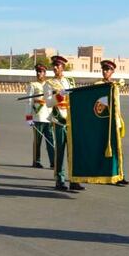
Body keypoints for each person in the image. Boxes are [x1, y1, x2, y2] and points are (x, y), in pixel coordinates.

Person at [44, 55, 85, 191]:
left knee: (73, 151)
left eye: (58, 65)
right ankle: (59, 180)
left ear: (63, 67)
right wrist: (59, 96)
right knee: (60, 151)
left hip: (71, 120)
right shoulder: (49, 84)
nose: (55, 68)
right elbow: (49, 102)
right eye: (54, 66)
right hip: (59, 119)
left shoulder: (70, 81)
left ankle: (74, 180)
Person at [95, 59, 129, 186]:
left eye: (107, 69)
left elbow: (117, 105)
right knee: (102, 149)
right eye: (103, 69)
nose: (105, 72)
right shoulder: (98, 84)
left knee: (118, 150)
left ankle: (120, 175)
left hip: (115, 121)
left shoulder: (115, 85)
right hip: (103, 121)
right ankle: (103, 174)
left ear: (112, 71)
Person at [26, 63, 54, 169]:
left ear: (45, 73)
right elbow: (29, 101)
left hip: (49, 116)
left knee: (51, 141)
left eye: (41, 71)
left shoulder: (50, 85)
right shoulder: (33, 85)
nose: (39, 73)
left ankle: (53, 161)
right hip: (38, 117)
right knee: (37, 141)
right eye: (37, 71)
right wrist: (28, 117)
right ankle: (36, 161)